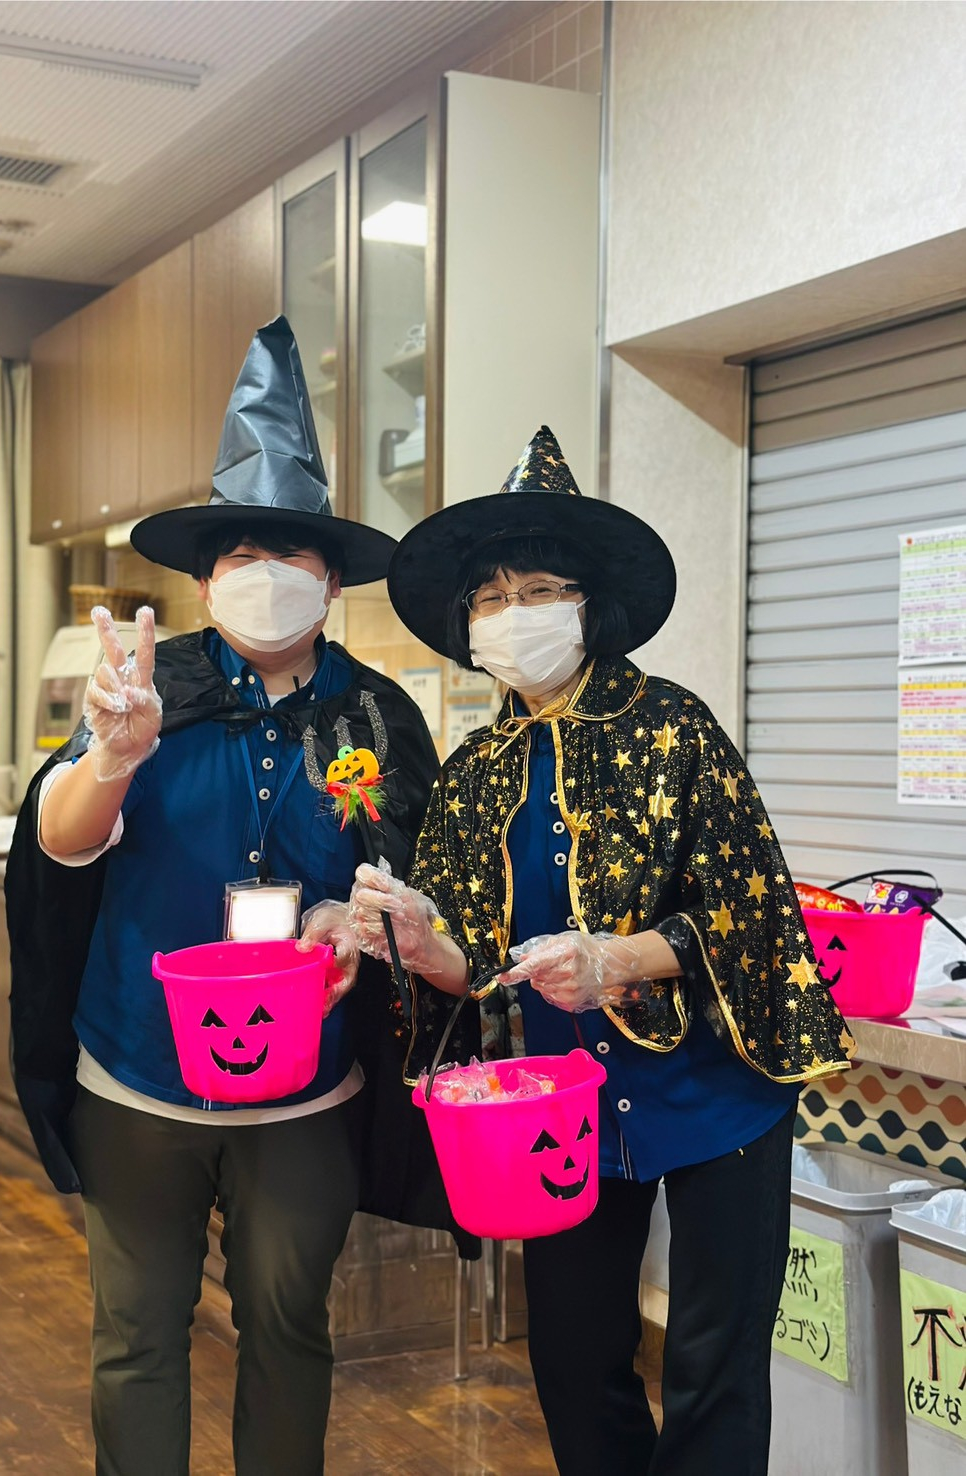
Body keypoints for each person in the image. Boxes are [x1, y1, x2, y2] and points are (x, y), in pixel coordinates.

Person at [345, 426, 857, 1476]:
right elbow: (474, 962)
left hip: (718, 1091)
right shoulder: (475, 768)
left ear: (587, 605)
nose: (512, 612)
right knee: (575, 1362)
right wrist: (422, 944)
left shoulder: (673, 728)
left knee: (713, 1368)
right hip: (562, 1109)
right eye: (491, 598)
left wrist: (618, 960)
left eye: (538, 589)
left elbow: (756, 914)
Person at [4, 317, 453, 1476]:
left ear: (331, 579)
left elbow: (418, 881)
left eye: (290, 554)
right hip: (136, 1077)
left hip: (305, 1090)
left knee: (290, 1332)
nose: (264, 576)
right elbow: (59, 844)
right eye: (239, 556)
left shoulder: (376, 713)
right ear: (204, 579)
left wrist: (352, 920)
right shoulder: (147, 687)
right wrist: (112, 759)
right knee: (136, 1339)